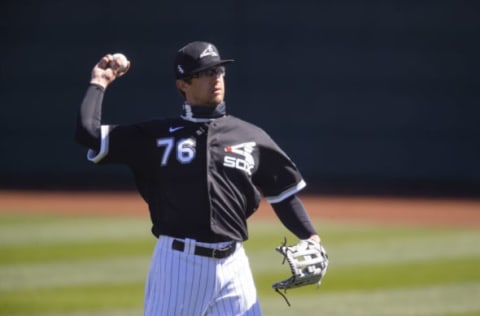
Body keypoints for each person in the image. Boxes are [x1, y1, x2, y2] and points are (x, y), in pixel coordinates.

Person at [75, 41, 326, 316]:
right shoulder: (157, 136)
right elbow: (88, 133)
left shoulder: (250, 136)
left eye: (218, 71)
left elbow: (284, 195)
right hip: (179, 266)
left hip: (234, 264)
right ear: (183, 84)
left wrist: (311, 237)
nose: (215, 78)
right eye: (206, 72)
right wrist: (99, 82)